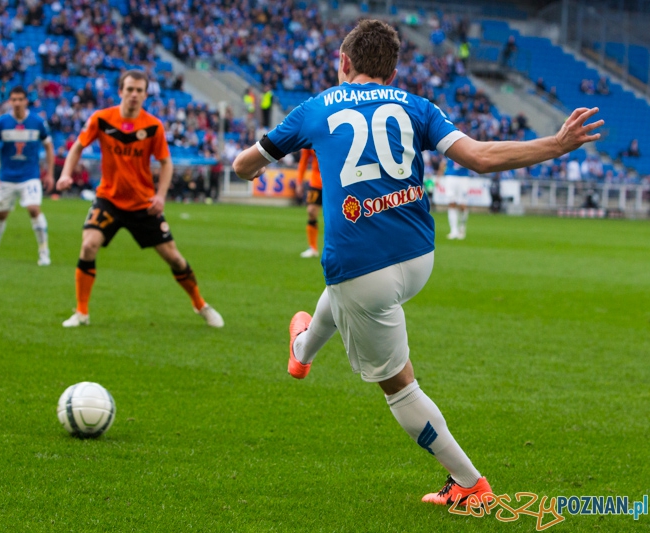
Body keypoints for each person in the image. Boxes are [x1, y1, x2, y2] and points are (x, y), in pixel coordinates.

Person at [232, 19, 602, 506]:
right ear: (393, 68)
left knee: (397, 384)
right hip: (418, 258)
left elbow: (244, 166)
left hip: (361, 270)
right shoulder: (417, 106)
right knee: (346, 298)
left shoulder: (316, 106)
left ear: (344, 62)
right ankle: (301, 352)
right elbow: (480, 156)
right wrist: (556, 144)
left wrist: (256, 163)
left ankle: (471, 486)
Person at [55, 70, 224, 329]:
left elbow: (166, 163)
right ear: (120, 91)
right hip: (108, 199)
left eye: (139, 90)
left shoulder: (153, 126)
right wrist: (66, 174)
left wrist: (160, 196)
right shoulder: (101, 119)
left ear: (146, 94)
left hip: (143, 203)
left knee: (175, 259)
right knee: (88, 245)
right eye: (130, 89)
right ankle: (81, 312)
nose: (134, 95)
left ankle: (200, 304)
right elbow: (77, 146)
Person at [0, 86, 55, 265]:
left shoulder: (37, 122)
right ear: (10, 101)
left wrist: (49, 174)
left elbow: (49, 147)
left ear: (26, 101)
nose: (17, 103)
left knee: (34, 209)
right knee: (0, 214)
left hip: (30, 176)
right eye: (14, 99)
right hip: (7, 177)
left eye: (20, 99)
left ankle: (44, 252)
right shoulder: (2, 122)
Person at [295, 148, 323, 258]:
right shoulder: (309, 138)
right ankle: (312, 248)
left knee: (336, 216)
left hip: (333, 181)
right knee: (311, 212)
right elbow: (303, 161)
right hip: (316, 182)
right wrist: (299, 182)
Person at [443, 158, 471, 240]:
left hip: (463, 177)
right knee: (451, 203)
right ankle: (453, 230)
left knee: (462, 205)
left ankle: (462, 228)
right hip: (450, 176)